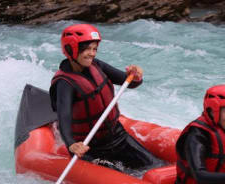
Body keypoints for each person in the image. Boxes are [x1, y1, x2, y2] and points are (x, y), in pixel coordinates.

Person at [50, 24, 160, 170]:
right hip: (89, 147)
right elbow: (64, 116)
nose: (92, 53)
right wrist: (71, 144)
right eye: (87, 49)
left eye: (94, 49)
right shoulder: (65, 83)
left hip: (117, 136)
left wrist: (136, 76)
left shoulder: (97, 66)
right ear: (72, 49)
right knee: (117, 173)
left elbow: (130, 83)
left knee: (155, 166)